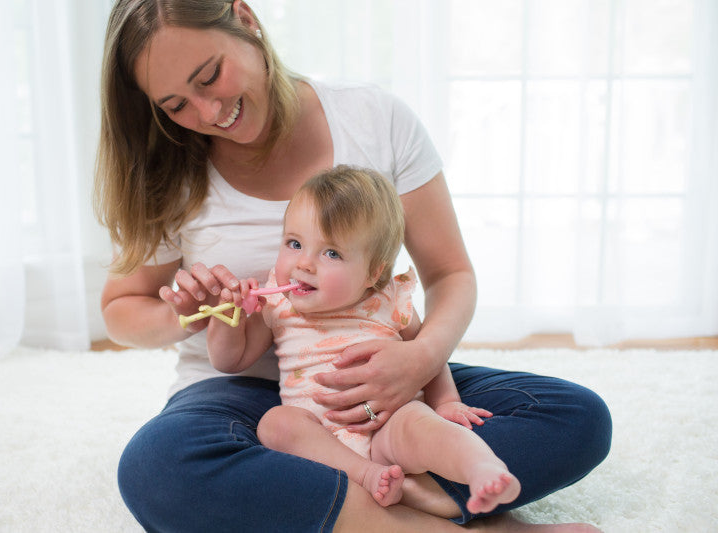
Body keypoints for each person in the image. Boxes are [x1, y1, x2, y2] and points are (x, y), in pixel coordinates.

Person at [95, 0, 612, 531]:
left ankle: (364, 506)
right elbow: (120, 310)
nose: (207, 113)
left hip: (387, 383)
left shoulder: (374, 118)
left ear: (246, 20)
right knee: (157, 468)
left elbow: (449, 273)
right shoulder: (167, 168)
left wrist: (420, 359)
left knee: (576, 418)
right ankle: (437, 516)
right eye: (177, 104)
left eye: (210, 76)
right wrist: (194, 313)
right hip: (243, 401)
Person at [205, 165, 521, 514]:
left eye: (332, 253)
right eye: (294, 243)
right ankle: (368, 475)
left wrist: (446, 401)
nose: (304, 264)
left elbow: (427, 354)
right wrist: (227, 316)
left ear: (373, 272)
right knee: (275, 424)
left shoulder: (388, 298)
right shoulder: (277, 303)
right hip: (318, 436)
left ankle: (481, 469)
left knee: (424, 425)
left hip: (389, 423)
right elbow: (230, 360)